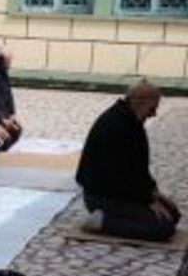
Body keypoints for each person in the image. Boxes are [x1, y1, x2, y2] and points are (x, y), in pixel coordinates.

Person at [76, 80, 181, 242]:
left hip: (119, 192)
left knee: (173, 214)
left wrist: (153, 193)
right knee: (163, 228)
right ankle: (103, 222)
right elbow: (121, 177)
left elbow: (138, 169)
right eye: (152, 108)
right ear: (140, 102)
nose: (154, 114)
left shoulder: (130, 121)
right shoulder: (116, 125)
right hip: (102, 196)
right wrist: (147, 200)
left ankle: (110, 218)